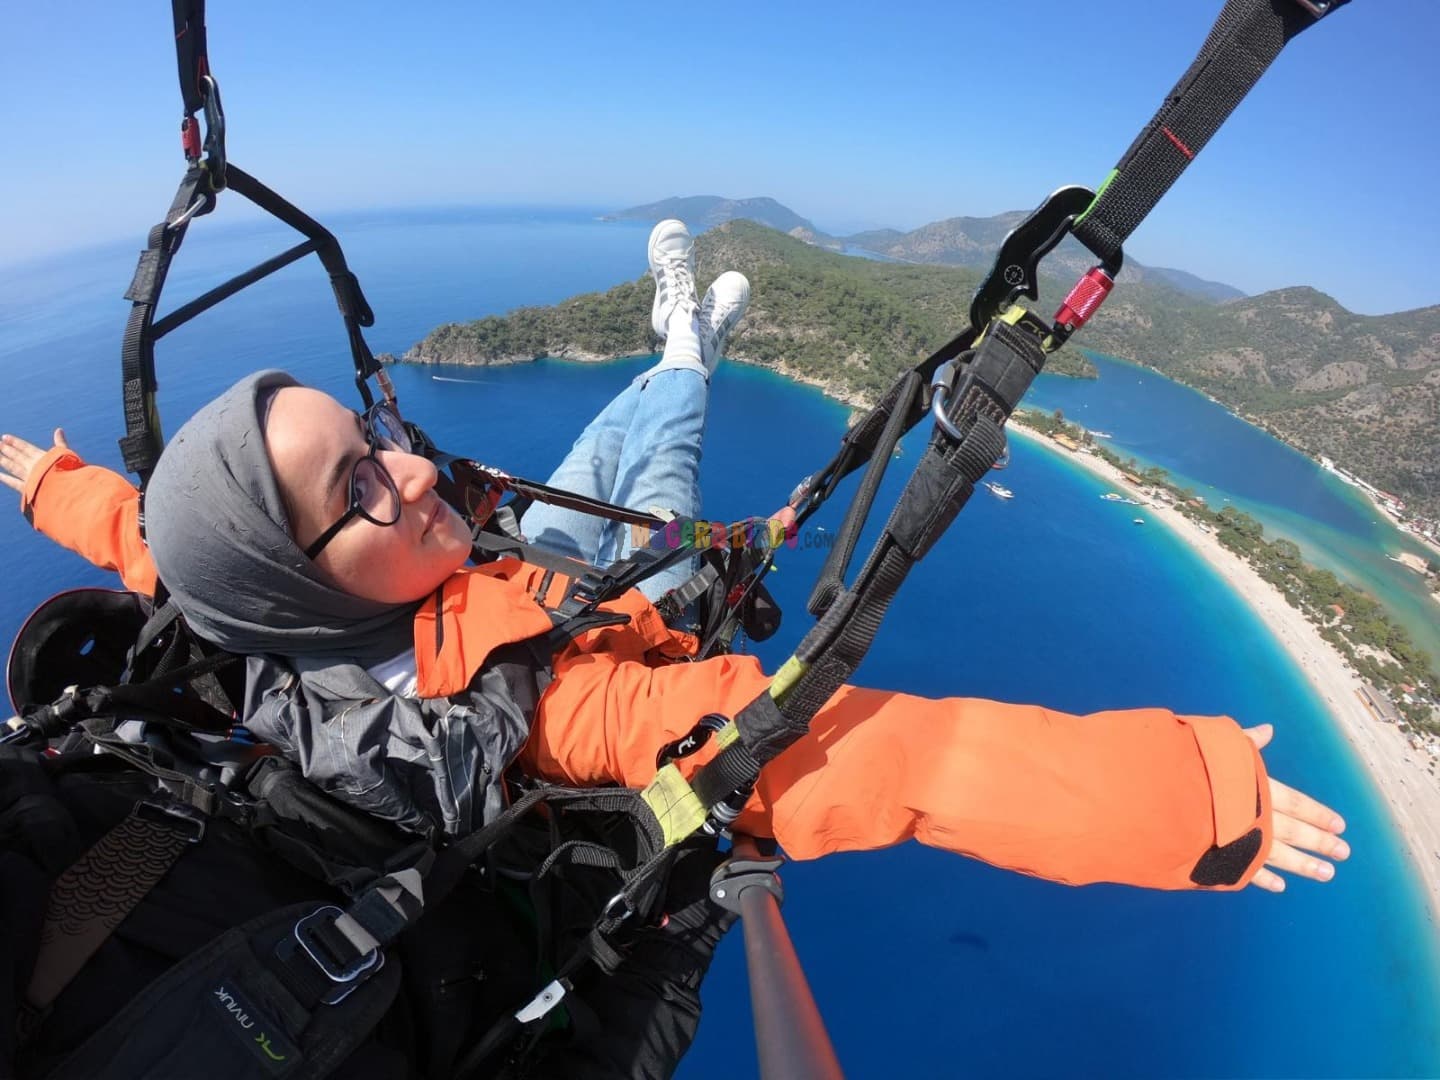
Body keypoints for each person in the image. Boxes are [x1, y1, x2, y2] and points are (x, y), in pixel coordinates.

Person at [0, 220, 1348, 895]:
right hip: (593, 617)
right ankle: (690, 339)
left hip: (504, 571)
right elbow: (862, 754)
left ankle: (677, 337)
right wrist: (1184, 800)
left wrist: (57, 486)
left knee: (606, 442)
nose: (409, 464)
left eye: (376, 433)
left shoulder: (253, 634)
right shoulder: (557, 716)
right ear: (298, 584)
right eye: (358, 480)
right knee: (660, 457)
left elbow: (157, 552)